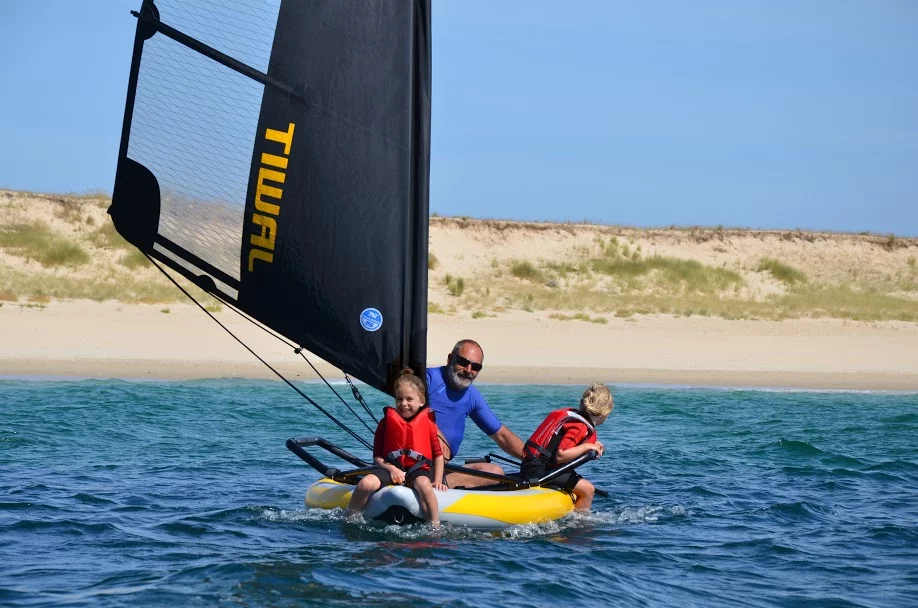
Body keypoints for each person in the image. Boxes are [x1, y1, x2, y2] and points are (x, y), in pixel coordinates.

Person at [345, 369, 446, 524]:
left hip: (417, 471)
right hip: (389, 470)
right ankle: (350, 518)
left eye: (409, 399)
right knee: (366, 483)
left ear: (421, 401)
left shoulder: (429, 425)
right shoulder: (385, 424)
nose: (403, 404)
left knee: (424, 484)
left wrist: (437, 480)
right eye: (399, 399)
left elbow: (438, 455)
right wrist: (392, 469)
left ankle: (434, 524)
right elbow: (377, 457)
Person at [426, 339, 524, 488]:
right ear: (450, 359)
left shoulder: (472, 396)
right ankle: (426, 485)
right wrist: (435, 433)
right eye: (463, 362)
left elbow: (501, 435)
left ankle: (439, 485)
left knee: (494, 472)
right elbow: (405, 409)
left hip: (441, 470)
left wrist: (534, 459)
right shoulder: (428, 379)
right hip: (415, 465)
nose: (468, 370)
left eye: (475, 367)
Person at [519, 383, 613, 511]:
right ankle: (581, 521)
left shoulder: (574, 418)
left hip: (530, 465)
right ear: (603, 414)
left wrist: (591, 446)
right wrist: (587, 446)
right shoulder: (580, 427)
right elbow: (561, 455)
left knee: (579, 482)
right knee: (588, 489)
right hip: (541, 471)